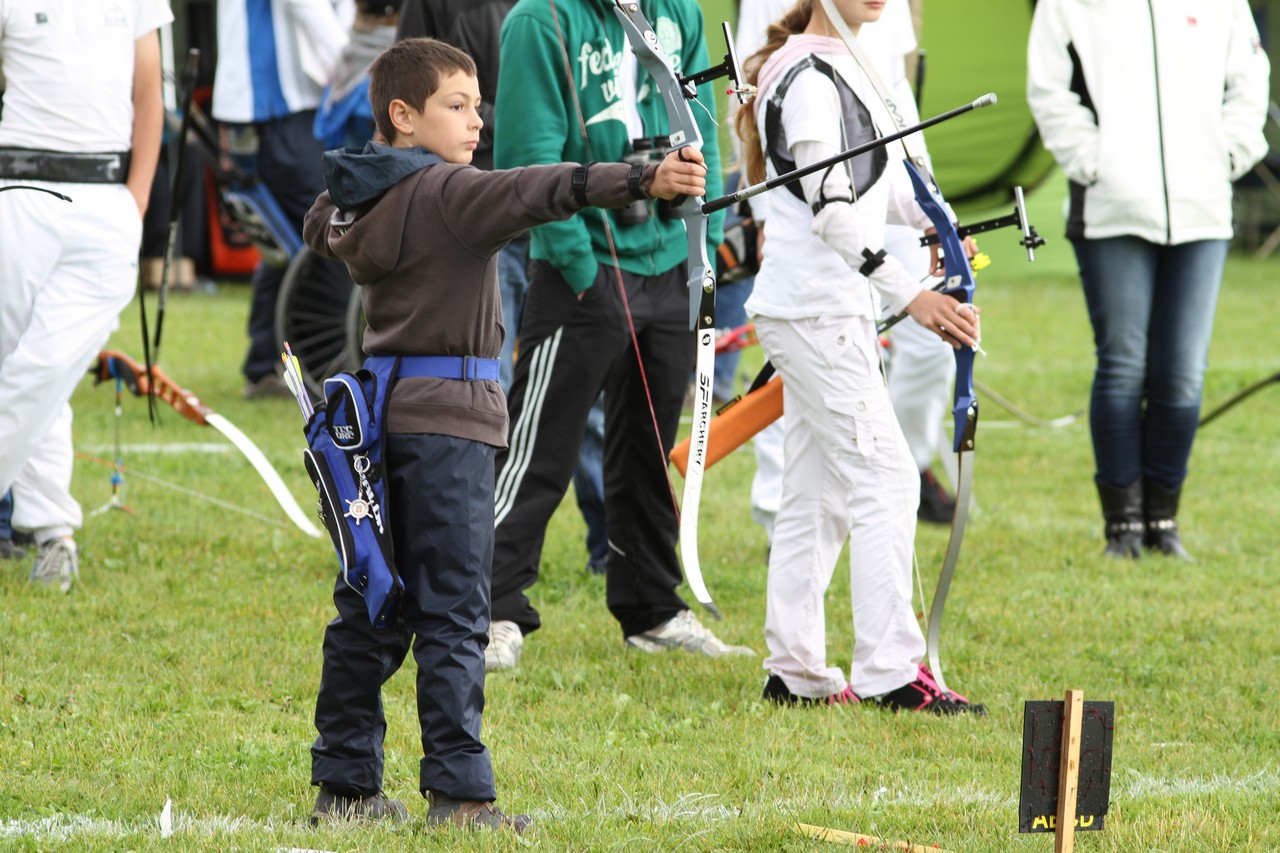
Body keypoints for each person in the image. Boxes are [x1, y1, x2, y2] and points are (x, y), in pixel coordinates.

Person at [302, 36, 709, 827]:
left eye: (477, 105)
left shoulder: (351, 201)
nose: (476, 122)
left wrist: (380, 160)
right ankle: (458, 795)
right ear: (402, 115)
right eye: (457, 105)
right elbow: (542, 187)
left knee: (370, 600)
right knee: (455, 610)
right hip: (449, 427)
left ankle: (346, 785)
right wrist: (642, 177)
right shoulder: (450, 194)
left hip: (380, 424)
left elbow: (327, 213)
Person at [735, 0, 985, 713]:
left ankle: (796, 669)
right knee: (888, 477)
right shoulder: (809, 77)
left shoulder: (850, 64)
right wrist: (915, 297)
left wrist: (942, 225)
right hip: (814, 310)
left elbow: (885, 187)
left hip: (825, 308)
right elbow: (833, 210)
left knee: (821, 492)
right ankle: (891, 671)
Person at [484, 0, 749, 673]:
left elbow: (703, 137)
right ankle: (488, 608)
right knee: (537, 448)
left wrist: (706, 246)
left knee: (647, 450)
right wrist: (577, 265)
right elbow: (528, 162)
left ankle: (652, 607)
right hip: (585, 272)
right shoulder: (540, 19)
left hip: (671, 264)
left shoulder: (679, 13)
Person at [1027, 0, 1269, 559]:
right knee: (1123, 365)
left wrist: (1229, 152)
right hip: (1111, 209)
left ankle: (1163, 522)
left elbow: (1250, 78)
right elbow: (1048, 89)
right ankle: (1122, 527)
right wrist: (1093, 161)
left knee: (1182, 373)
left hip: (1202, 209)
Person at [396, 0, 608, 582]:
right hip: (468, 209)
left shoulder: (556, 12)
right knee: (487, 386)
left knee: (571, 385)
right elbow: (399, 91)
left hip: (551, 206)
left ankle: (609, 543)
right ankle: (470, 550)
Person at [0, 0, 170, 591]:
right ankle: (53, 535)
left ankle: (51, 531)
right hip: (20, 186)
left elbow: (151, 98)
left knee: (46, 365)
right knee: (31, 368)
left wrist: (135, 202)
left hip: (107, 199)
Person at [211, 0, 353, 399]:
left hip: (263, 106)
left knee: (283, 238)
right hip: (282, 105)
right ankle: (323, 365)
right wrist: (352, 69)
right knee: (324, 233)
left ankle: (267, 362)